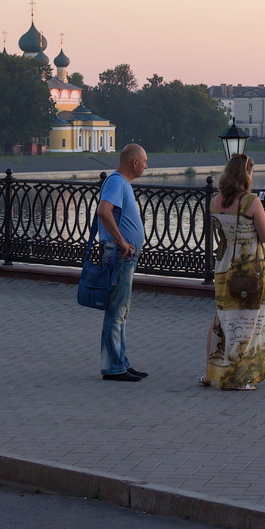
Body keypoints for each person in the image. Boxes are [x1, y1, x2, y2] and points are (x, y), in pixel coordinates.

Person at [201, 153, 265, 391]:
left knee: (221, 319)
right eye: (251, 172)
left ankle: (210, 373)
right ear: (245, 175)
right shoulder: (251, 202)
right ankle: (235, 377)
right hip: (249, 267)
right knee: (246, 322)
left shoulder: (215, 201)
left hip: (224, 266)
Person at [96, 144, 149, 381]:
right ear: (134, 163)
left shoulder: (122, 183)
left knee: (121, 311)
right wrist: (122, 242)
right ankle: (113, 367)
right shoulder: (117, 182)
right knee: (116, 311)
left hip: (125, 255)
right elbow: (103, 211)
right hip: (121, 255)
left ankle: (121, 362)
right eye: (145, 161)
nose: (147, 166)